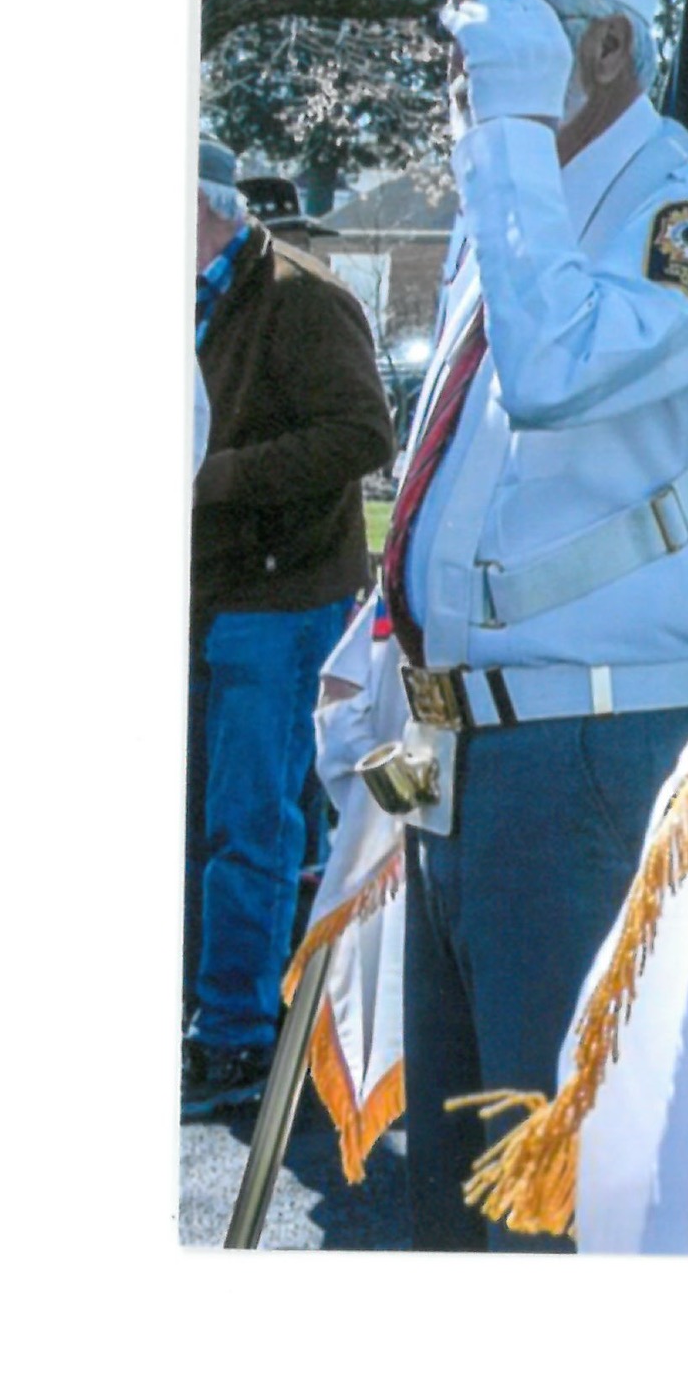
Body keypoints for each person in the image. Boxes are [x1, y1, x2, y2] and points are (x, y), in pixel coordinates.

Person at [339, 0, 688, 1246]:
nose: (469, 91)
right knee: (455, 1197)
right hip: (463, 755)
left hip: (592, 754)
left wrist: (512, 141)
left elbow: (555, 372)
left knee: (555, 1201)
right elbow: (462, 477)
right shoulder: (518, 210)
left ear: (605, 49)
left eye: (504, 48)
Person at [188, 137, 394, 1107]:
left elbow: (363, 434)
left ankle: (235, 1036)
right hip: (213, 593)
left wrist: (215, 477)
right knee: (219, 823)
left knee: (249, 827)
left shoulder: (303, 298)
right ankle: (232, 1014)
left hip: (276, 599)